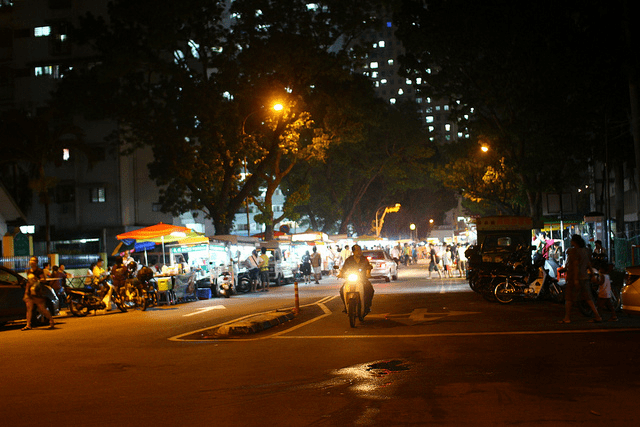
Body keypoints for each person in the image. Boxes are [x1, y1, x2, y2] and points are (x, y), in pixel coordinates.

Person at [559, 234, 602, 324]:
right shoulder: (585, 251)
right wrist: (593, 275)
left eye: (571, 240)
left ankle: (567, 317)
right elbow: (588, 264)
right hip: (584, 277)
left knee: (569, 298)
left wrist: (575, 280)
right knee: (588, 298)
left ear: (574, 242)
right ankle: (597, 316)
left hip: (574, 278)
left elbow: (575, 265)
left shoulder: (574, 251)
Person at [338, 245, 374, 315]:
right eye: (357, 250)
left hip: (362, 279)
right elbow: (343, 268)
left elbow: (368, 267)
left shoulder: (364, 259)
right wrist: (340, 274)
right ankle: (346, 306)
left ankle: (367, 306)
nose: (359, 252)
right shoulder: (349, 260)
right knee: (342, 290)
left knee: (370, 290)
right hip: (351, 279)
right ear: (353, 251)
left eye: (360, 250)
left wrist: (368, 273)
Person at [22, 256, 55, 330]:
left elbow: (43, 280)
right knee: (29, 309)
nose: (31, 262)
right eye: (31, 260)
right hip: (30, 293)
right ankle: (28, 325)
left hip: (37, 293)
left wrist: (37, 280)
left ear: (36, 262)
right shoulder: (29, 271)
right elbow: (28, 283)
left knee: (42, 309)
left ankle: (51, 321)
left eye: (33, 261)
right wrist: (26, 292)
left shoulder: (39, 271)